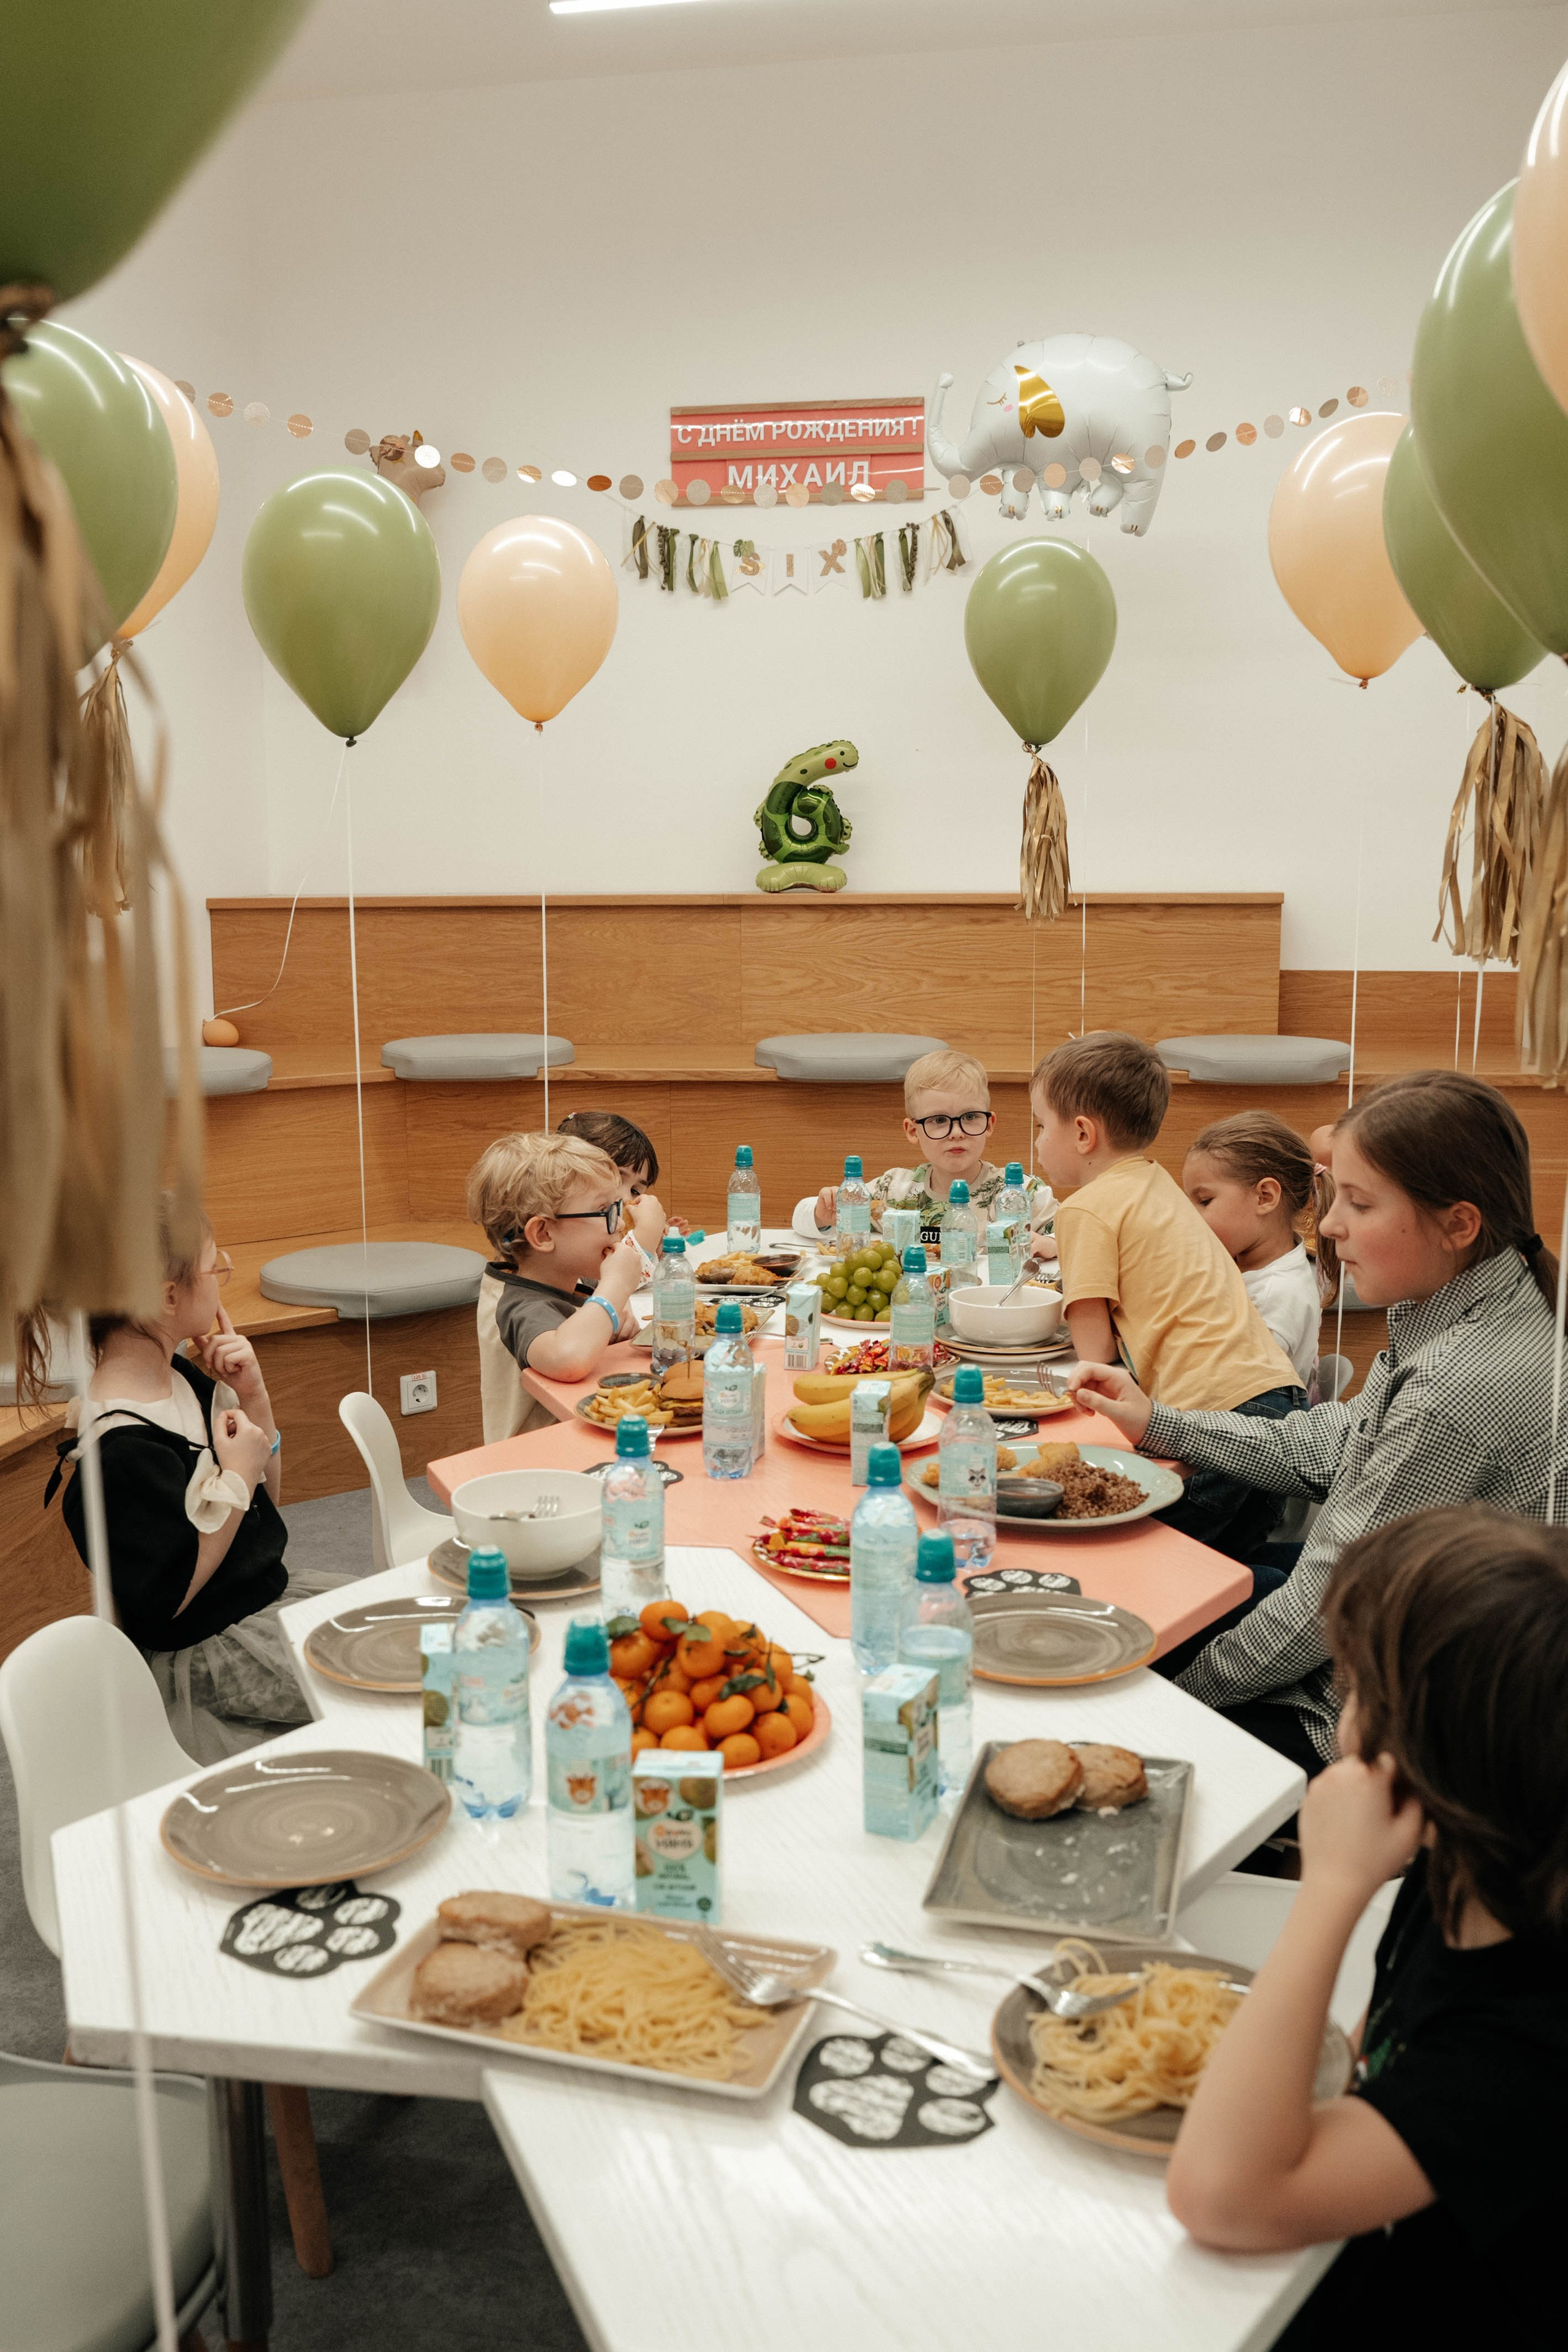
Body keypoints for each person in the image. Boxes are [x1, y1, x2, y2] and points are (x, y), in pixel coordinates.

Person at [1069, 1069, 1563, 1769]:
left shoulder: (1459, 1389)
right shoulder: (1464, 1305)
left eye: (1358, 1204)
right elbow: (1327, 1444)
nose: (1328, 1225)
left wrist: (1174, 1705)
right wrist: (1158, 1423)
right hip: (1367, 1637)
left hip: (1377, 1715)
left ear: (1457, 1224)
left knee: (1106, 1671)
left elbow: (1322, 1612)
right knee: (1151, 1599)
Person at [1167, 1507, 1568, 2349]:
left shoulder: (1529, 2041)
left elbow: (1222, 2197)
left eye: (1358, 1690)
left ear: (1434, 1755)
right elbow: (1369, 2050)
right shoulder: (1471, 1858)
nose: (1344, 1713)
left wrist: (1335, 1886)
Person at [24, 1201, 341, 1764]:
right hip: (212, 1654)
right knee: (392, 1685)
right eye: (214, 1268)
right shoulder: (120, 1451)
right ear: (168, 1296)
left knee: (410, 1640)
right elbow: (166, 1603)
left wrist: (255, 1399)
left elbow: (266, 1510)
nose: (223, 1279)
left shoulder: (182, 1379)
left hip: (263, 1603)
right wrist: (237, 1474)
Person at [1033, 1031, 1304, 1558]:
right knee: (1224, 1574)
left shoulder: (1084, 1209)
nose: (1039, 1142)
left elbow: (1096, 1359)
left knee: (1138, 1561)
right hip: (1276, 1409)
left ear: (1083, 1133)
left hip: (1216, 1420)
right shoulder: (1159, 1186)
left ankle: (1339, 1613)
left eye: (1042, 1126)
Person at [470, 1131, 646, 1442]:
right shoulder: (519, 1305)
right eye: (605, 1211)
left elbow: (589, 1322)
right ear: (544, 1235)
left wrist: (609, 1316)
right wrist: (616, 1286)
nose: (619, 1224)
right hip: (534, 1470)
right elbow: (569, 1359)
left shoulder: (563, 1277)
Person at [812, 1047, 1052, 1249]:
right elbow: (808, 1221)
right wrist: (820, 1215)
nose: (957, 1132)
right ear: (913, 1131)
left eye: (970, 1117)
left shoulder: (1022, 1192)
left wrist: (1049, 1244)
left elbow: (1076, 1233)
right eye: (939, 1121)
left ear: (989, 1124)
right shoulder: (893, 1191)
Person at [1182, 1111, 1327, 1387]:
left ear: (1265, 1197)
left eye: (1204, 1201)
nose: (1190, 1217)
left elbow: (1228, 1386)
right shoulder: (1246, 1263)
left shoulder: (1278, 1296)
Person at [554, 1109, 678, 1259]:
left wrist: (656, 1248)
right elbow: (618, 1278)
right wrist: (645, 1239)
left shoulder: (610, 1235)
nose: (626, 1198)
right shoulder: (565, 1236)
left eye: (636, 1191)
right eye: (616, 1179)